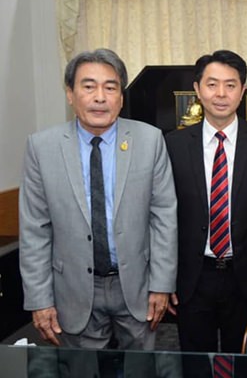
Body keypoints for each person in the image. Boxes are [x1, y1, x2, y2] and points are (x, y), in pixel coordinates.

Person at [19, 48, 177, 349]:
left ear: (121, 96)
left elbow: (164, 216)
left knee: (142, 371)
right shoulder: (42, 147)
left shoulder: (150, 140)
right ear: (70, 94)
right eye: (88, 86)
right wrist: (40, 300)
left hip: (137, 286)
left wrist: (161, 284)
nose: (100, 97)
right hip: (74, 289)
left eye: (110, 87)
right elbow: (34, 230)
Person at [165, 49, 247, 353]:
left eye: (230, 85)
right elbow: (163, 218)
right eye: (212, 84)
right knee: (195, 363)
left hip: (245, 276)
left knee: (245, 361)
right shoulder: (174, 145)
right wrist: (165, 279)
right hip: (192, 277)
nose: (221, 94)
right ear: (197, 89)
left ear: (243, 91)